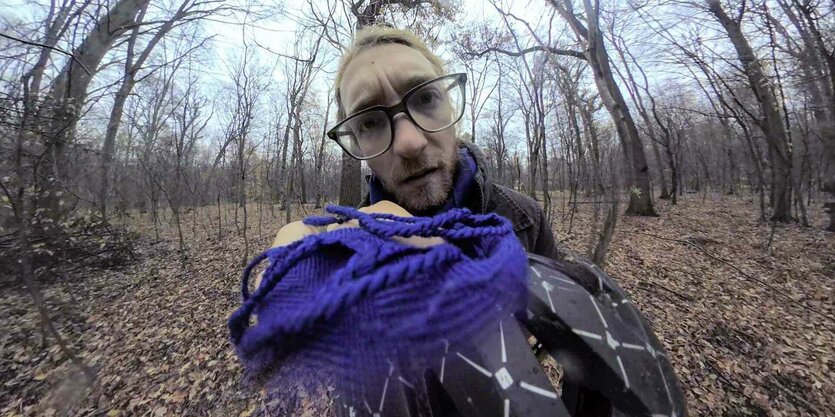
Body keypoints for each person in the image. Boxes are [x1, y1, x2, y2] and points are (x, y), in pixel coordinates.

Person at [327, 25, 561, 260]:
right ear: (356, 143)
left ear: (450, 105)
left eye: (426, 98)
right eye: (369, 123)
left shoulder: (527, 219)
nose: (410, 143)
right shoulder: (342, 255)